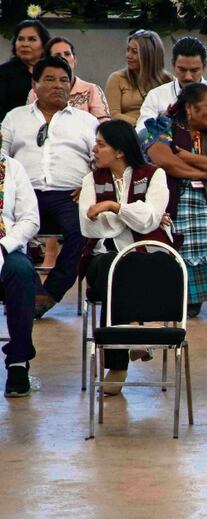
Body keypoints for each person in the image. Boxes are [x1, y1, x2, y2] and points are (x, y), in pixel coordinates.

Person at [1, 55, 98, 319]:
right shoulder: (15, 118)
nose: (58, 85)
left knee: (82, 230)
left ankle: (50, 294)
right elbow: (1, 157)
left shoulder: (86, 122)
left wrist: (88, 186)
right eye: (50, 80)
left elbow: (100, 160)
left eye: (64, 80)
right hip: (24, 194)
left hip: (70, 196)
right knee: (11, 230)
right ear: (34, 84)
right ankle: (31, 290)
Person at [79, 119, 171, 394]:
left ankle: (119, 362)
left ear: (119, 151)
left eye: (101, 144)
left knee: (131, 268)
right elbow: (89, 225)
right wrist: (130, 214)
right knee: (111, 266)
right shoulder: (90, 180)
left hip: (147, 255)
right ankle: (134, 330)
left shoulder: (154, 175)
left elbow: (150, 220)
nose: (94, 149)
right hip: (103, 258)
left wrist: (112, 206)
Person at [143, 83, 207, 315]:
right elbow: (164, 160)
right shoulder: (164, 127)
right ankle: (178, 292)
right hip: (174, 195)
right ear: (190, 108)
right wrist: (204, 173)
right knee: (183, 221)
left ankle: (196, 297)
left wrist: (185, 156)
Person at [136, 36, 207, 132]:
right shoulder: (156, 96)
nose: (188, 77)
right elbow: (142, 132)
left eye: (194, 70)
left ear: (204, 66)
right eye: (182, 70)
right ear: (173, 64)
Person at [0, 153, 41, 398]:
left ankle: (18, 363)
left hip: (7, 246)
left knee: (22, 271)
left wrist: (4, 246)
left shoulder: (13, 168)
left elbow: (30, 219)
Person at [25, 37, 109, 122]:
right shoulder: (35, 92)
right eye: (57, 55)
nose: (64, 58)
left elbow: (103, 125)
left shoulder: (91, 90)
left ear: (75, 60)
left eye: (67, 54)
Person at [105, 30, 173, 125]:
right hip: (128, 132)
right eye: (128, 50)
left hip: (161, 133)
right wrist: (144, 125)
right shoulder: (117, 78)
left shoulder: (168, 80)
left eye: (135, 52)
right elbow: (113, 114)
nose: (128, 55)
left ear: (149, 55)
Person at [0, 20, 50, 122]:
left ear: (44, 45)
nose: (25, 44)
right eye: (21, 39)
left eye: (32, 39)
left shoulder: (52, 71)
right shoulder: (3, 72)